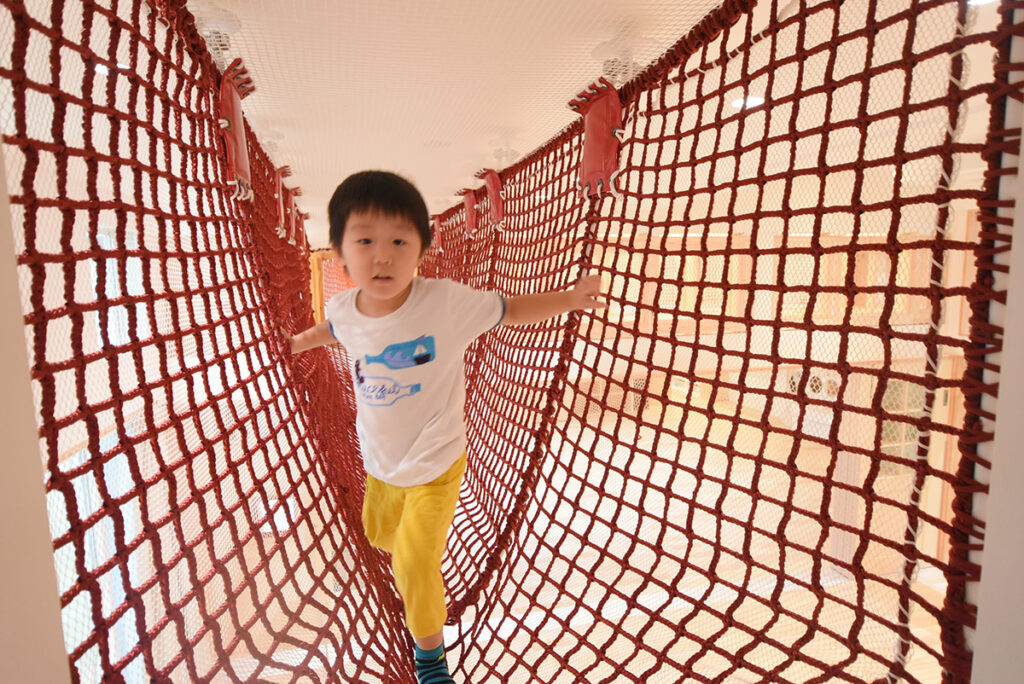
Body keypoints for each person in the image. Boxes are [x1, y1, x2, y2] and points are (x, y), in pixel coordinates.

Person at [283, 170, 605, 683]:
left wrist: (567, 299)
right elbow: (334, 328)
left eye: (398, 240)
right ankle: (416, 571)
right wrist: (299, 342)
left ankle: (430, 658)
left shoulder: (445, 302)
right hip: (380, 464)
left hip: (435, 464)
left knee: (412, 562)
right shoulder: (346, 306)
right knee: (379, 535)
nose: (382, 255)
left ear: (422, 252)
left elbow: (510, 309)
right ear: (340, 253)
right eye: (365, 240)